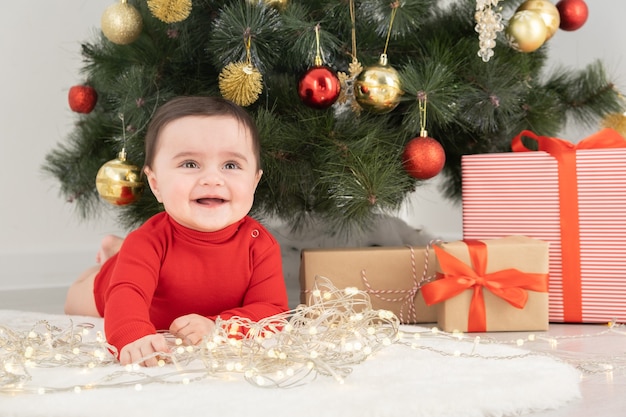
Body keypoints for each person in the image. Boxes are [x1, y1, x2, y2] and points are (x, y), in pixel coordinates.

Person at [64, 96, 289, 367]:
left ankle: (116, 248)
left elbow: (272, 312)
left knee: (132, 260)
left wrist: (219, 326)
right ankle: (111, 259)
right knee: (74, 300)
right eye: (190, 164)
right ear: (156, 184)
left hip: (151, 269)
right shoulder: (148, 241)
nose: (212, 179)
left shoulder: (260, 246)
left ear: (254, 182)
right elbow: (126, 294)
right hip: (116, 281)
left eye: (230, 165)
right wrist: (133, 335)